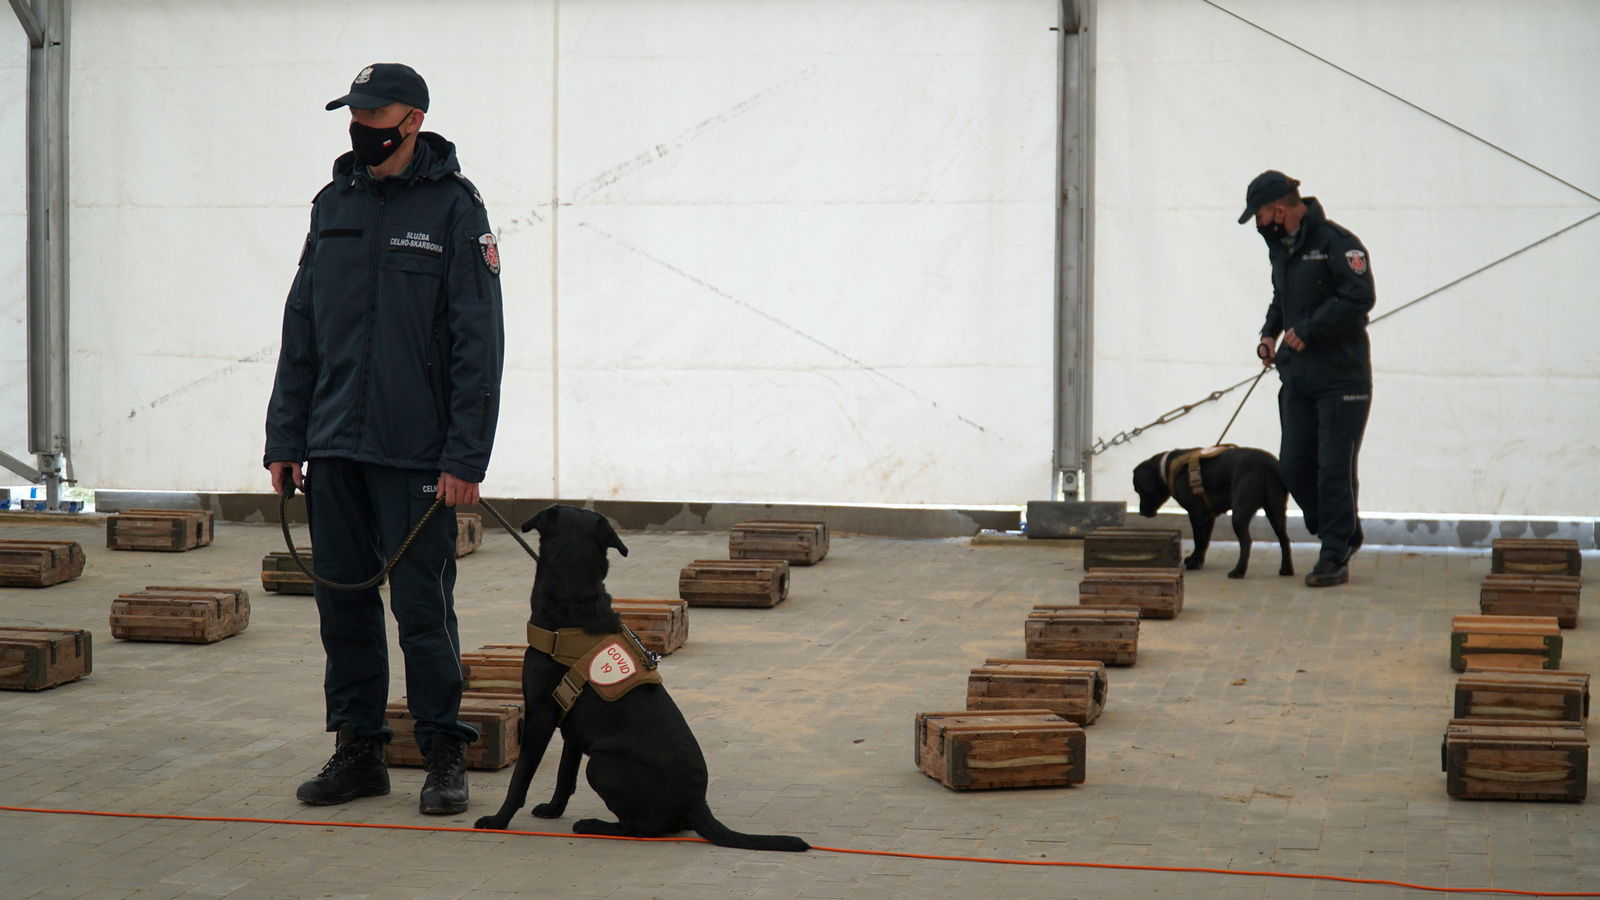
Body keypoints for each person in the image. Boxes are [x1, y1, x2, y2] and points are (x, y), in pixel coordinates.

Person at [264, 63, 505, 814]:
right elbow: (301, 327)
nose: (359, 127)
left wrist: (466, 456)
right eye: (354, 113)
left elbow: (479, 341)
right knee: (344, 610)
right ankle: (358, 752)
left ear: (414, 120)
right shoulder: (332, 205)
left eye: (374, 114)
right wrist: (285, 437)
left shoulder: (455, 210)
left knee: (423, 611)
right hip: (333, 446)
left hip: (416, 454)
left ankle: (441, 754)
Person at [1239, 170, 1372, 587]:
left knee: (1333, 467)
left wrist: (1309, 329)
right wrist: (1268, 333)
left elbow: (1359, 297)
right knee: (1295, 468)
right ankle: (1343, 528)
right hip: (1297, 379)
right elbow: (1283, 297)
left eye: (1259, 215)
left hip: (1342, 380)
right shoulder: (1282, 247)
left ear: (1279, 209)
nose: (1259, 224)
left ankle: (1334, 553)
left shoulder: (1337, 243)